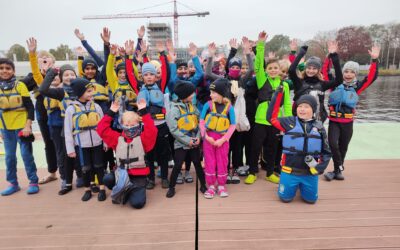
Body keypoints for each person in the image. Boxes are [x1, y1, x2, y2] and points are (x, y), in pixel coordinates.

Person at [324, 45, 380, 181]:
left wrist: (374, 60)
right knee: (332, 144)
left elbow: (372, 77)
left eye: (352, 72)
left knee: (343, 147)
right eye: (346, 71)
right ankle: (338, 168)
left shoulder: (358, 87)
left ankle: (337, 171)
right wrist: (330, 56)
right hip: (334, 122)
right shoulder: (335, 84)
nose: (348, 74)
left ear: (356, 74)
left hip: (348, 123)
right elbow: (325, 72)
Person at [267, 85, 331, 204]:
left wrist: (319, 169)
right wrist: (278, 95)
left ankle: (302, 187)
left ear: (313, 110)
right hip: (289, 171)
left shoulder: (320, 127)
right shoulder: (289, 122)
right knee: (285, 199)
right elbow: (271, 118)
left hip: (309, 173)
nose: (302, 109)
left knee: (311, 200)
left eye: (306, 107)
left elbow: (327, 152)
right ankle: (289, 185)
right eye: (299, 106)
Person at [245, 31, 292, 185]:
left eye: (275, 68)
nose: (272, 70)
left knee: (272, 148)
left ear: (280, 71)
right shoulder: (261, 81)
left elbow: (286, 104)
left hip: (275, 121)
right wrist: (260, 45)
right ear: (266, 70)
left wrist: (288, 121)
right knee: (255, 147)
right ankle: (252, 172)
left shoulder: (284, 85)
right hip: (260, 120)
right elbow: (258, 64)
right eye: (270, 68)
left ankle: (270, 172)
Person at [97, 99, 157, 208]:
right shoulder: (117, 138)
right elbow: (101, 129)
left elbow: (152, 130)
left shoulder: (143, 139)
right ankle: (124, 188)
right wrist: (111, 112)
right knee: (107, 179)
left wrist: (143, 111)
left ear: (138, 124)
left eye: (133, 124)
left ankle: (128, 190)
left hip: (138, 176)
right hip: (122, 173)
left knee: (137, 204)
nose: (130, 127)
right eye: (127, 125)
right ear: (122, 125)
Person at [0, 58, 39, 195]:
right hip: (6, 128)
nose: (4, 70)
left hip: (22, 127)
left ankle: (33, 181)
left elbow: (30, 107)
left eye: (8, 68)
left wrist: (28, 126)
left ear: (13, 71)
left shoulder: (20, 86)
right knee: (9, 157)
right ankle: (13, 183)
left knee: (26, 155)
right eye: (2, 68)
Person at [64, 78, 106, 201]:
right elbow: (68, 131)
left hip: (97, 143)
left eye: (91, 90)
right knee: (85, 168)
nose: (91, 93)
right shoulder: (71, 109)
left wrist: (105, 141)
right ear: (79, 92)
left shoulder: (97, 107)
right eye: (88, 91)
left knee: (99, 165)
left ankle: (102, 188)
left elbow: (103, 126)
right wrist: (70, 149)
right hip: (82, 145)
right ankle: (87, 189)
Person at [166, 80, 207, 198]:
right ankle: (171, 187)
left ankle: (203, 185)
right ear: (184, 95)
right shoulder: (174, 109)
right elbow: (173, 129)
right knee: (178, 165)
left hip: (194, 141)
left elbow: (200, 122)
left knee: (197, 164)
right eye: (191, 93)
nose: (193, 95)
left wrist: (198, 137)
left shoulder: (192, 107)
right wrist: (187, 140)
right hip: (181, 143)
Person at [200, 78, 236, 198]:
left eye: (213, 93)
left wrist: (224, 139)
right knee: (209, 161)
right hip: (209, 139)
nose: (211, 95)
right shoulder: (207, 105)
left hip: (222, 140)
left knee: (222, 161)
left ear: (221, 93)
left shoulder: (229, 107)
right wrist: (205, 136)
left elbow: (233, 125)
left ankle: (221, 185)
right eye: (210, 92)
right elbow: (201, 121)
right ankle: (211, 186)